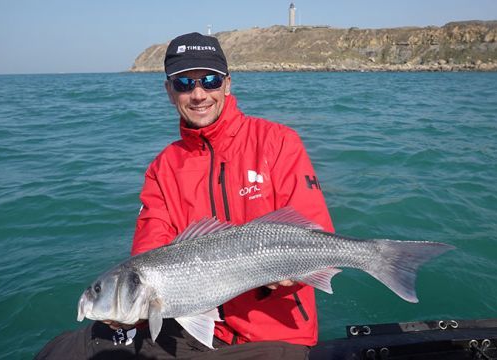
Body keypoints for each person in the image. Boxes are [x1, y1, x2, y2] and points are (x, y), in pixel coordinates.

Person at [36, 32, 333, 360]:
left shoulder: (278, 141)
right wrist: (128, 305)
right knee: (68, 350)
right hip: (191, 326)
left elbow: (317, 232)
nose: (198, 94)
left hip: (274, 332)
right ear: (169, 91)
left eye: (209, 80)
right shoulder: (162, 168)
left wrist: (287, 272)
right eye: (184, 84)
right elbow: (149, 250)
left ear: (227, 84)